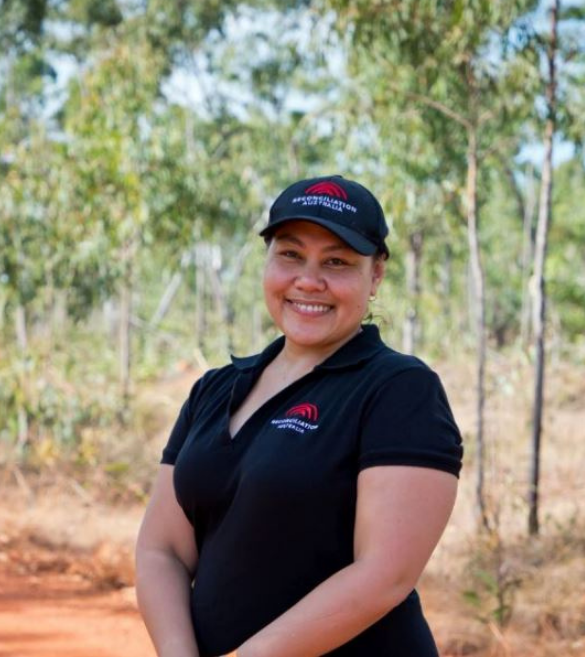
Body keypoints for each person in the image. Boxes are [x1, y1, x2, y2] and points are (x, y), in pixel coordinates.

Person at [136, 175, 463, 656]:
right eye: (290, 255)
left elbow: (384, 576)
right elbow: (161, 550)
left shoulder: (399, 390)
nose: (309, 280)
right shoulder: (213, 390)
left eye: (337, 262)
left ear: (375, 276)